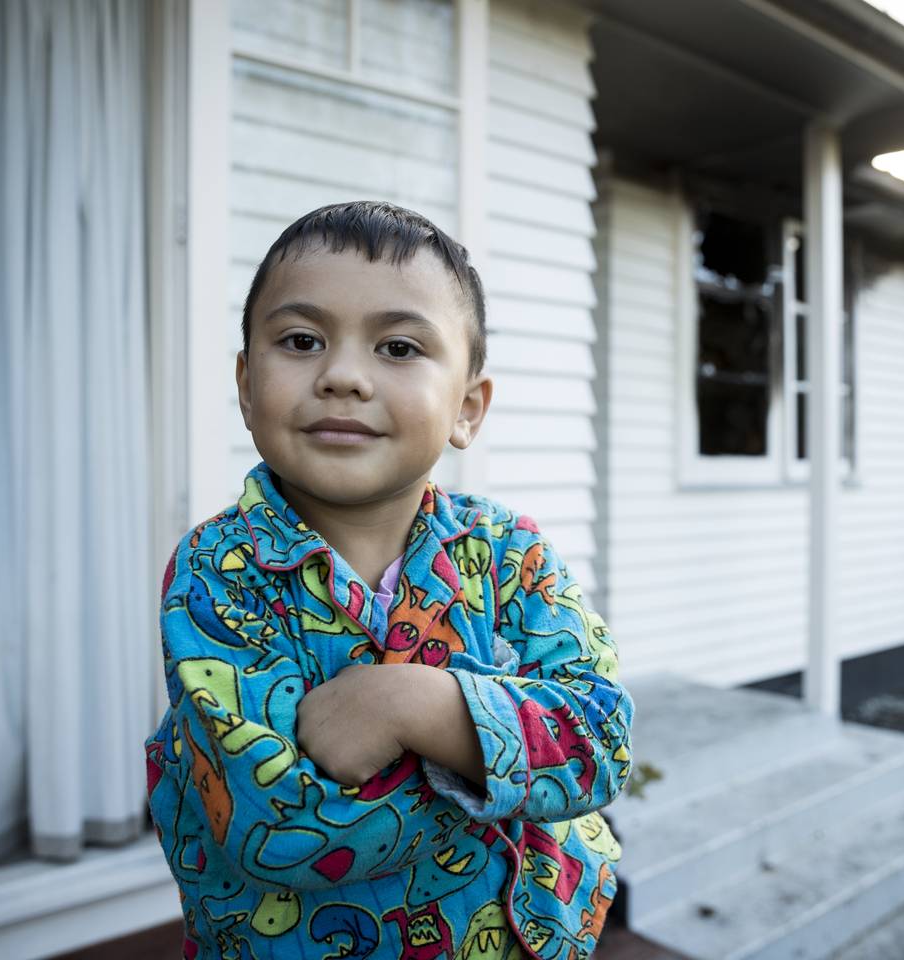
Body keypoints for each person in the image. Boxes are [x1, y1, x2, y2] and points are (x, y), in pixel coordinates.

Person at [144, 200, 634, 960]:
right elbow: (278, 826)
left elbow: (602, 742)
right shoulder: (218, 573)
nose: (342, 375)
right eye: (302, 340)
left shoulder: (510, 555)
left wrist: (418, 706)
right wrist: (509, 766)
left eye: (399, 347)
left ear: (466, 408)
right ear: (246, 387)